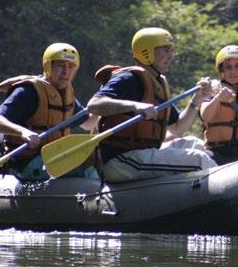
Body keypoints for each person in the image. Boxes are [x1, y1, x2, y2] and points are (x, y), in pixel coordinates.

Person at [87, 27, 217, 182]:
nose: (171, 56)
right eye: (165, 50)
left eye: (171, 51)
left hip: (143, 154)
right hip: (120, 160)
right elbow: (94, 105)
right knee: (198, 160)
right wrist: (134, 106)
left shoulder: (157, 83)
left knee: (195, 144)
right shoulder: (128, 79)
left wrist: (197, 100)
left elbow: (178, 128)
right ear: (146, 51)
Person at [0, 43, 98, 180]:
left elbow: (88, 124)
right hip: (27, 163)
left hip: (54, 157)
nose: (66, 72)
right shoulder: (29, 92)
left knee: (96, 160)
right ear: (48, 66)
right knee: (84, 171)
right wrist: (23, 132)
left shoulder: (65, 93)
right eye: (60, 65)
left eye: (71, 66)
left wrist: (103, 107)